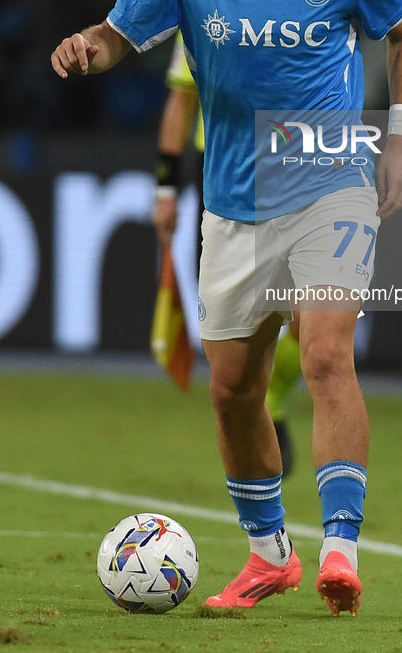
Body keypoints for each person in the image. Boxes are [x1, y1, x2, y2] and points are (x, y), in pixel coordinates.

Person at [51, 0, 402, 617]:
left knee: (325, 356)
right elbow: (120, 33)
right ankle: (268, 557)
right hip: (233, 204)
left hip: (330, 182)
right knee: (231, 391)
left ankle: (339, 550)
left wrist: (397, 142)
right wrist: (89, 43)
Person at [154, 31, 300, 476]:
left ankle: (272, 393)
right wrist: (165, 186)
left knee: (308, 308)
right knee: (235, 322)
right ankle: (249, 411)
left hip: (299, 160)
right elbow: (182, 98)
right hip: (222, 170)